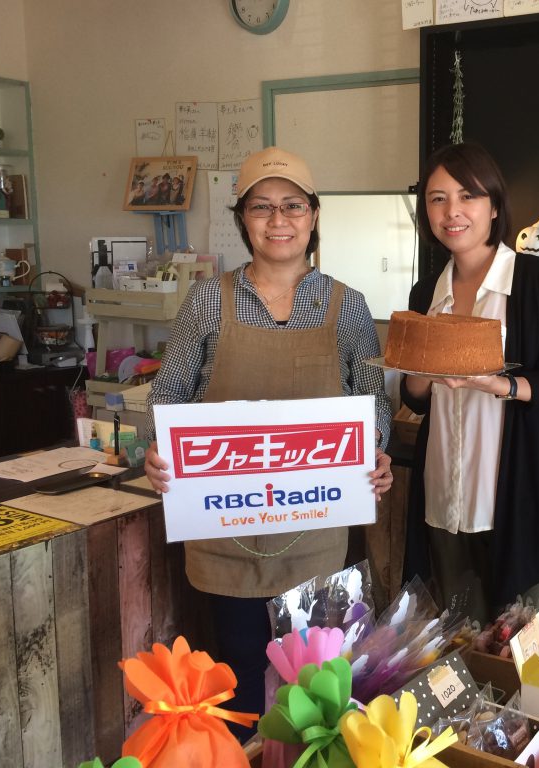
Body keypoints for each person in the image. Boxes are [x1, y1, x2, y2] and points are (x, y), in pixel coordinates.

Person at [143, 146, 393, 737]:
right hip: (227, 537)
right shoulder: (208, 300)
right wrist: (160, 450)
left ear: (313, 216)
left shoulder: (346, 305)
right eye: (261, 207)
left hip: (314, 538)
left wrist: (374, 449)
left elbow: (373, 399)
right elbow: (168, 394)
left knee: (315, 695)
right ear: (243, 219)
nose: (278, 220)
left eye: (292, 206)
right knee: (240, 690)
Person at [401, 142, 539, 624]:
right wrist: (421, 371)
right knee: (459, 642)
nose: (452, 211)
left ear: (493, 205)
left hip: (521, 500)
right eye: (438, 198)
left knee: (523, 649)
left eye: (467, 196)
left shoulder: (536, 281)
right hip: (446, 496)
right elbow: (417, 398)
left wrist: (499, 385)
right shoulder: (426, 292)